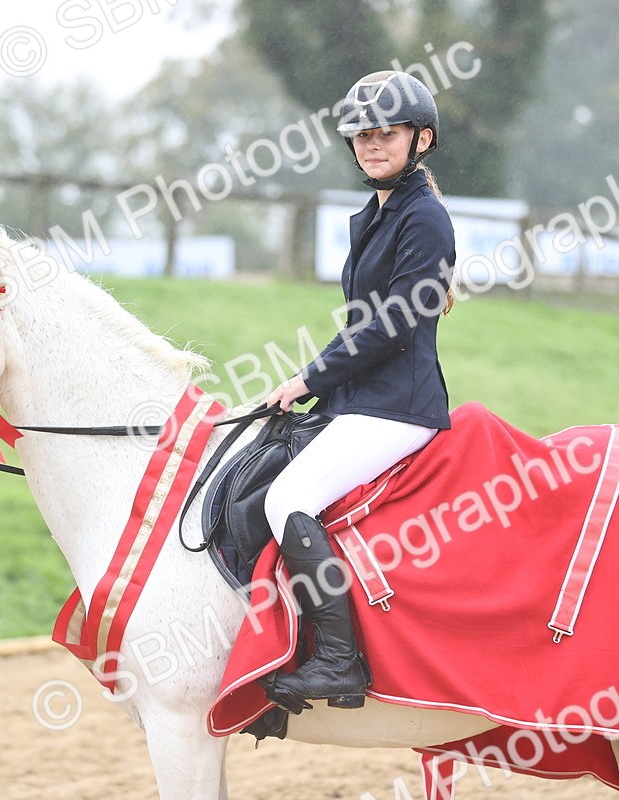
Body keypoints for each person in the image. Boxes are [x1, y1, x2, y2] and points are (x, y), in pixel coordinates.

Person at [262, 70, 456, 715]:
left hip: (398, 403)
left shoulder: (424, 217)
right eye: (362, 135)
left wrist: (310, 378)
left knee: (291, 496)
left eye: (388, 133)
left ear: (421, 139)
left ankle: (340, 664)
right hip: (362, 397)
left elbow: (393, 323)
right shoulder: (376, 213)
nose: (373, 144)